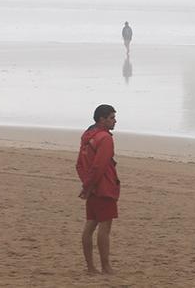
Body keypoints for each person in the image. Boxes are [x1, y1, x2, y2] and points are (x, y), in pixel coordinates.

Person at [77, 104, 120, 275]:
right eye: (111, 118)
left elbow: (80, 165)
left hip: (92, 189)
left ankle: (90, 267)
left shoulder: (87, 136)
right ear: (102, 119)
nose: (115, 121)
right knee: (104, 228)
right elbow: (99, 166)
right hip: (104, 188)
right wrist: (89, 185)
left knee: (89, 227)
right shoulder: (105, 138)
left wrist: (86, 185)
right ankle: (105, 267)